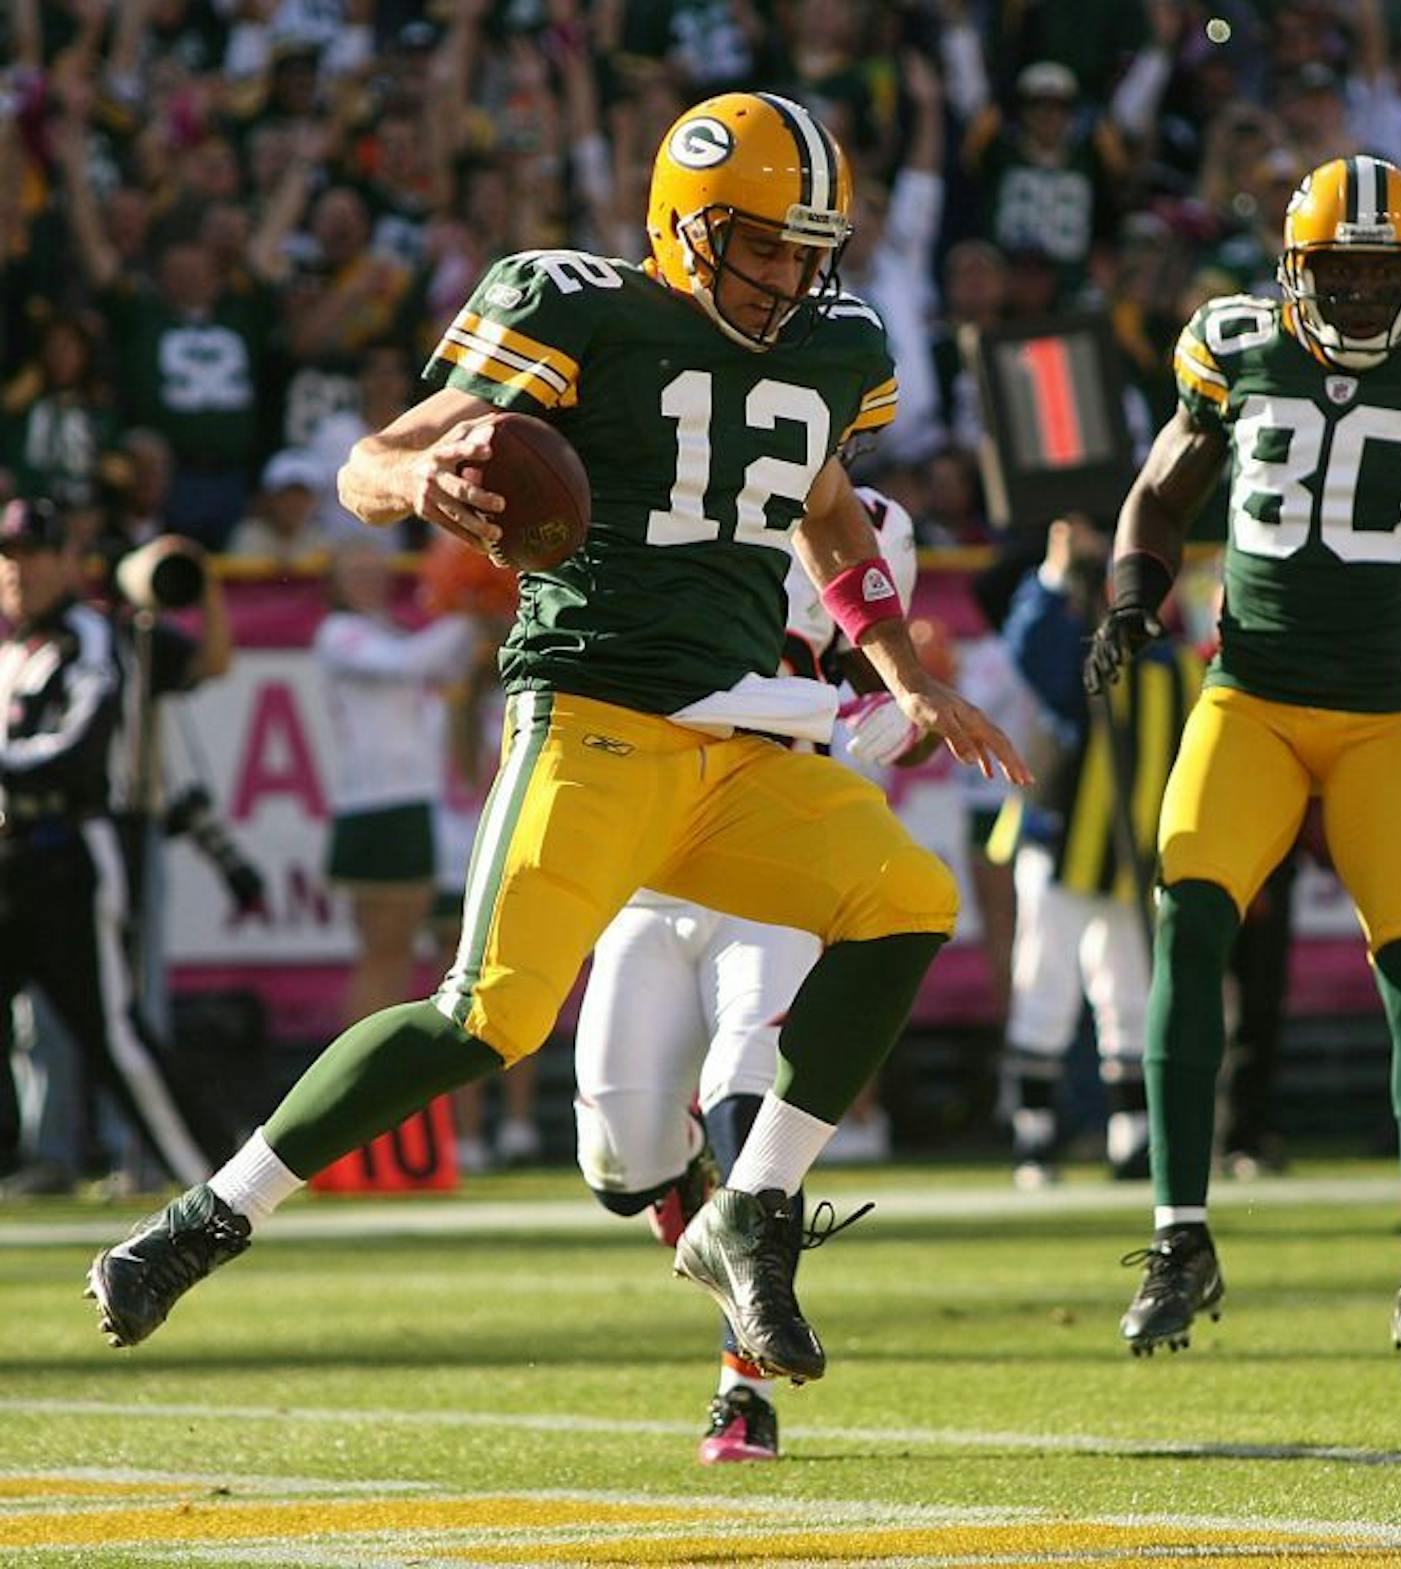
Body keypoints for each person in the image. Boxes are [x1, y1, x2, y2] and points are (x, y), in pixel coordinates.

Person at [88, 93, 1028, 1371]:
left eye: (813, 249)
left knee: (909, 899)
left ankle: (752, 1210)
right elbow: (375, 459)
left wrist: (904, 670)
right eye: (765, 246)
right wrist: (417, 482)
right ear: (687, 228)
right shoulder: (575, 306)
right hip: (596, 715)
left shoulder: (835, 345)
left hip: (743, 737)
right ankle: (209, 1218)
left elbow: (828, 510)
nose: (794, 276)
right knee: (491, 1015)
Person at [1088, 155, 1401, 1408]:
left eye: (1384, 275)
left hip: (1392, 717)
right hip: (1250, 695)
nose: (1363, 297)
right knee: (1188, 917)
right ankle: (1180, 1234)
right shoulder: (1235, 346)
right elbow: (1157, 492)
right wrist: (1135, 598)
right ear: (1296, 273)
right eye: (1343, 272)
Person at [574, 483, 926, 1465]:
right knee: (621, 1161)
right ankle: (690, 1194)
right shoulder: (650, 470)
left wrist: (893, 711)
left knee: (749, 1095)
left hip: (773, 845)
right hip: (652, 854)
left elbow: (868, 670)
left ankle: (744, 1387)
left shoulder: (877, 521)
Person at [0, 498, 227, 1190]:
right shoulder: (13, 650)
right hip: (9, 854)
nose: (19, 571)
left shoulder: (91, 636)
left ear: (69, 562)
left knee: (116, 1037)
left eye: (34, 555)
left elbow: (79, 747)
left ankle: (217, 1181)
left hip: (69, 854)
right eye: (8, 557)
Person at [996, 513, 1197, 1187]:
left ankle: (1132, 1138)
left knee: (1129, 994)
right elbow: (1031, 653)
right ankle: (1034, 1136)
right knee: (1043, 985)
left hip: (1133, 850)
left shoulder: (1170, 655)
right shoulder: (1076, 637)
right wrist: (1057, 575)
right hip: (1063, 838)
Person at [312, 536, 476, 1031]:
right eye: (355, 570)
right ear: (335, 583)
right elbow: (409, 662)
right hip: (376, 807)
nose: (370, 578)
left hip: (406, 804)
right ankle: (354, 1087)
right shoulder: (339, 633)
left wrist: (481, 620)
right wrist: (472, 607)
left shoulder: (391, 631)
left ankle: (379, 1089)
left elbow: (447, 666)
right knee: (384, 957)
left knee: (400, 959)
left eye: (375, 568)